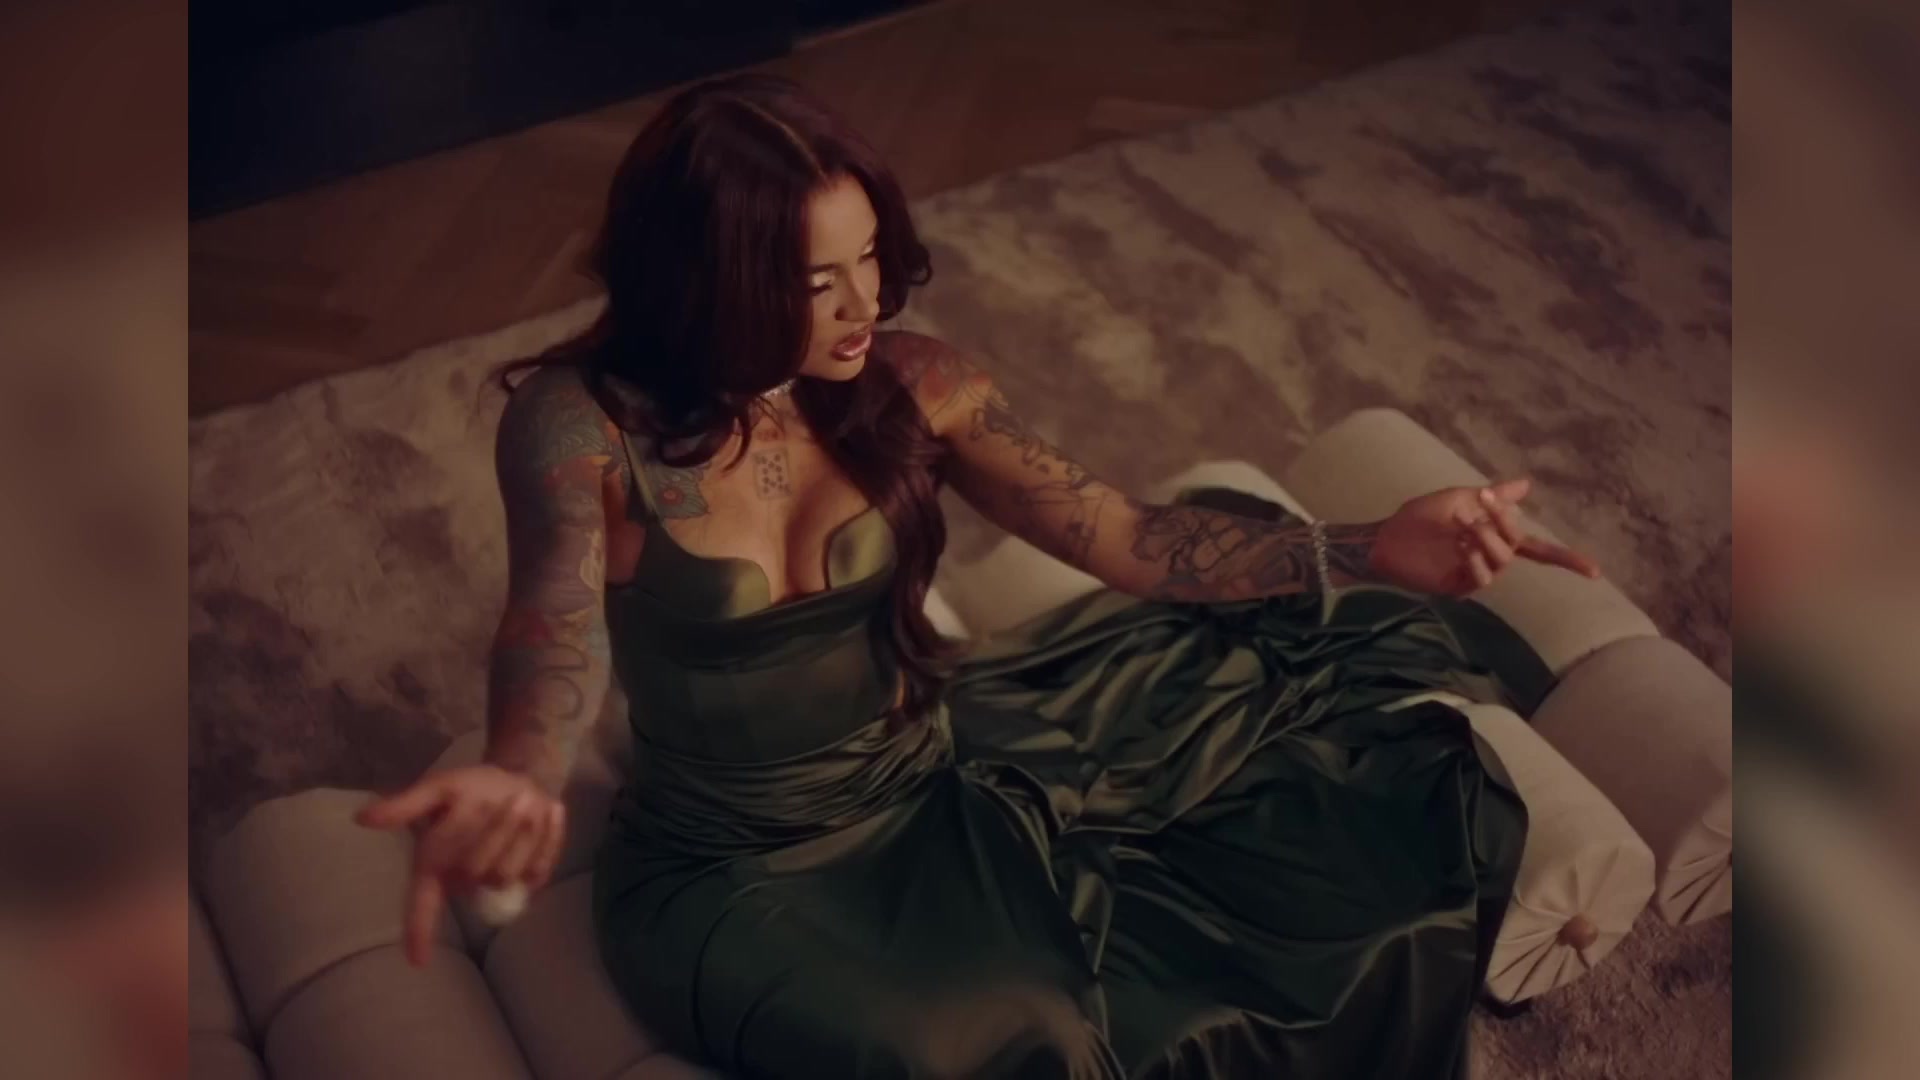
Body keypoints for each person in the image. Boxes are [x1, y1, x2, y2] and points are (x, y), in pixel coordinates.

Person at [356, 73, 1600, 1078]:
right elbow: (552, 624)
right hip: (730, 871)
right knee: (1013, 1040)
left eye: (871, 257)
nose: (866, 302)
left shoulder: (916, 382)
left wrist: (1367, 546)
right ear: (708, 279)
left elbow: (1124, 536)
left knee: (1340, 866)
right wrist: (521, 770)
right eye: (816, 280)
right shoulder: (580, 425)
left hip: (929, 780)